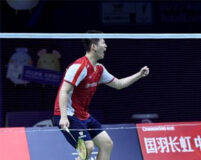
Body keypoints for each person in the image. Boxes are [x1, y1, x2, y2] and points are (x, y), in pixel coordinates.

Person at [52, 30, 149, 160]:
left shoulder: (99, 69)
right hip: (68, 115)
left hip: (83, 115)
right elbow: (64, 91)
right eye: (103, 42)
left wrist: (139, 75)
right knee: (88, 147)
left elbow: (119, 84)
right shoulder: (79, 67)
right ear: (94, 46)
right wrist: (64, 117)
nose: (106, 46)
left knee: (107, 144)